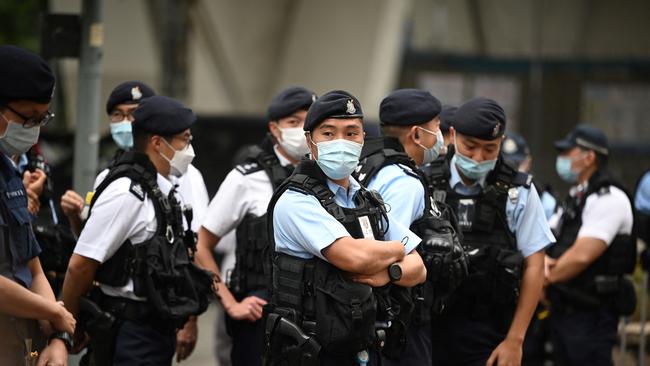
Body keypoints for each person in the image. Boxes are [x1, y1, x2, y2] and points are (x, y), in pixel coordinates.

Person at [264, 90, 425, 365]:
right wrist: (399, 248)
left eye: (351, 133)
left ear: (363, 139)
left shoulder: (365, 197)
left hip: (365, 346)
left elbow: (419, 268)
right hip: (313, 352)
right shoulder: (296, 200)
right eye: (328, 134)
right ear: (310, 141)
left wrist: (390, 273)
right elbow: (354, 258)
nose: (341, 142)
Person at [59, 81, 209, 361]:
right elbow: (82, 264)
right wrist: (67, 325)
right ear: (157, 142)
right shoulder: (127, 191)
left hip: (156, 324)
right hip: (131, 327)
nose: (189, 149)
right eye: (184, 140)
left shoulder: (161, 186)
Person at [427, 97, 554, 366]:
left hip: (489, 332)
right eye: (470, 147)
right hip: (429, 329)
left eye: (490, 149)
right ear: (452, 135)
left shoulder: (518, 191)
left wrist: (515, 340)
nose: (478, 158)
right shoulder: (424, 181)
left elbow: (535, 264)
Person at [194, 86, 316, 366]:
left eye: (307, 122)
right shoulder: (247, 178)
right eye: (293, 122)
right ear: (274, 129)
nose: (301, 130)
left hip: (312, 315)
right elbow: (201, 245)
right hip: (259, 314)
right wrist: (229, 302)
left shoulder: (327, 177)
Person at [353, 89, 467, 365]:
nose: (440, 136)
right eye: (436, 127)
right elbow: (386, 251)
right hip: (397, 322)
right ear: (417, 135)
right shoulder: (403, 182)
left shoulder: (366, 167)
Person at [0, 44, 76, 366]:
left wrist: (58, 339)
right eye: (28, 118)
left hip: (17, 346)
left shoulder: (8, 171)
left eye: (42, 119)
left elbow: (32, 267)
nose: (34, 130)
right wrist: (53, 312)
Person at [545, 124, 636, 366]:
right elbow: (548, 237)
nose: (562, 159)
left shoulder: (609, 198)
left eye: (568, 153)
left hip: (592, 312)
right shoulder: (578, 196)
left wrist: (542, 277)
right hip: (566, 308)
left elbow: (581, 256)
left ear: (589, 157)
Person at [501, 131, 557, 219]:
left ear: (528, 162)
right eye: (505, 164)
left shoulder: (544, 201)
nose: (510, 169)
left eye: (516, 164)